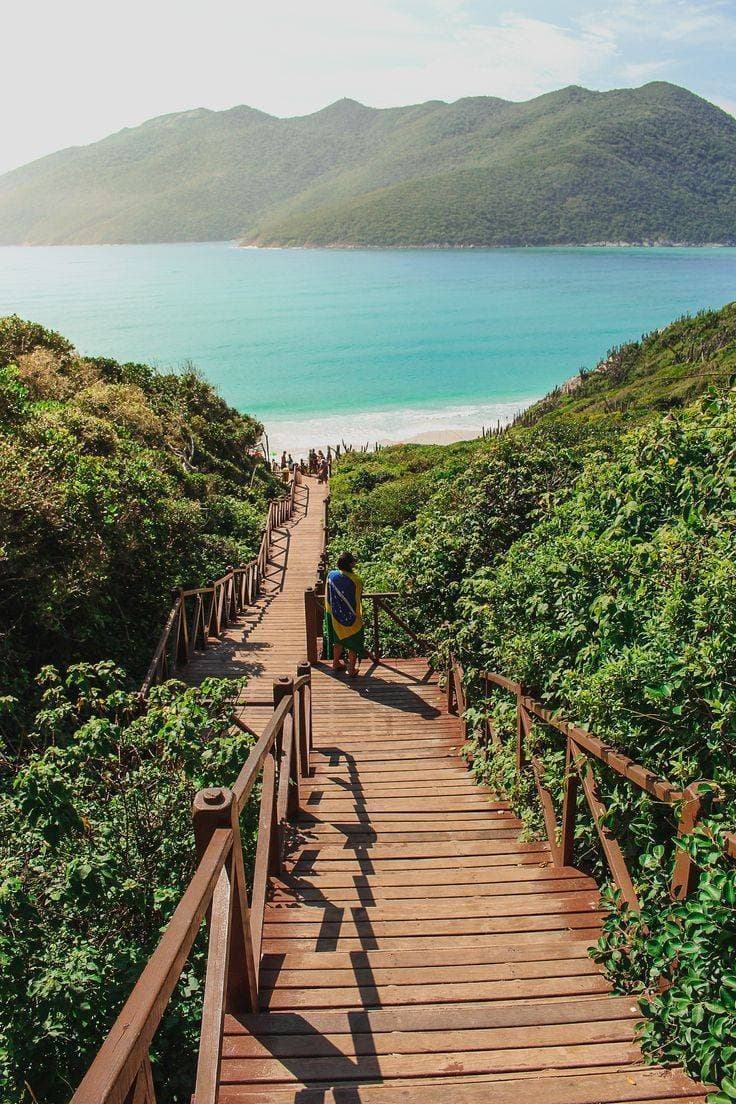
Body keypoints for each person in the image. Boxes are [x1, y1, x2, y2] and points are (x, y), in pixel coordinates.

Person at [324, 552, 364, 676]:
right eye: (353, 561)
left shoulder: (331, 575)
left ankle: (335, 662)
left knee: (338, 640)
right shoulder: (356, 580)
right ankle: (351, 669)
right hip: (351, 617)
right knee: (353, 642)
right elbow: (357, 597)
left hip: (335, 615)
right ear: (350, 564)